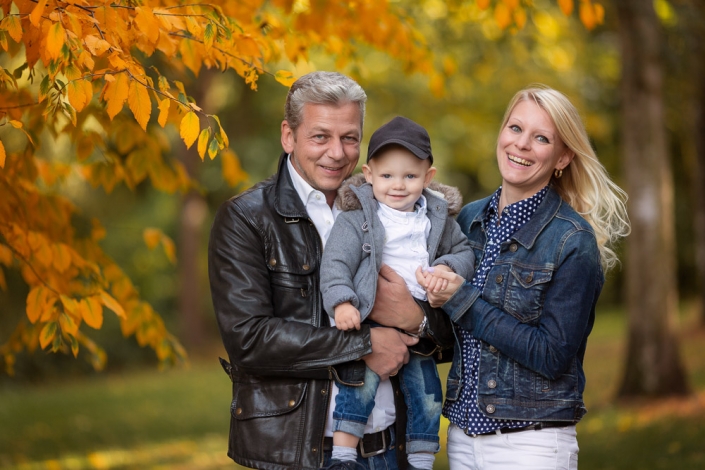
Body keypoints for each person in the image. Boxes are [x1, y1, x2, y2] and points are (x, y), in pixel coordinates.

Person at [208, 71, 454, 470]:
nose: (337, 153)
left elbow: (457, 326)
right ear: (289, 135)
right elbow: (249, 339)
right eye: (320, 136)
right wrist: (364, 345)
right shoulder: (247, 218)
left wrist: (417, 319)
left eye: (350, 138)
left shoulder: (401, 210)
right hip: (302, 455)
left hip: (394, 449)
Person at [416, 85, 630, 470]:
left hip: (531, 443)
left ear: (562, 157)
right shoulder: (468, 220)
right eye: (515, 128)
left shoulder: (571, 240)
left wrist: (462, 299)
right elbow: (455, 340)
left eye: (542, 138)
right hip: (463, 438)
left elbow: (550, 355)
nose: (522, 145)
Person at [320, 116, 475, 470]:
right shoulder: (357, 217)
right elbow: (335, 264)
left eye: (410, 176)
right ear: (370, 174)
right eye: (387, 176)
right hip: (369, 321)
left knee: (428, 393)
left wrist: (447, 267)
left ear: (428, 177)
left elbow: (466, 252)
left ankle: (420, 459)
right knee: (359, 384)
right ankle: (344, 455)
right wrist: (342, 300)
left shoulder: (437, 218)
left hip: (416, 327)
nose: (398, 185)